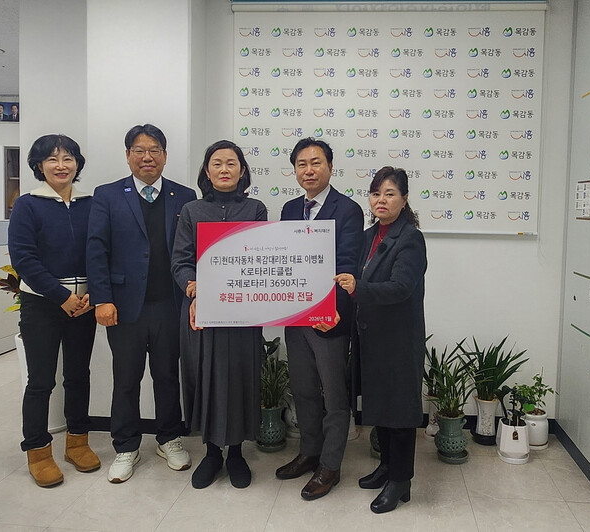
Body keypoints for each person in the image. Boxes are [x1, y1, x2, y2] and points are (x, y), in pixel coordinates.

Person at [87, 124, 196, 483]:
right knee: (126, 378)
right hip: (123, 306)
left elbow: (191, 250)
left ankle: (169, 438)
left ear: (165, 155)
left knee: (167, 376)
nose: (147, 157)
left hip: (170, 305)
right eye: (139, 150)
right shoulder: (107, 195)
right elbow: (96, 249)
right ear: (128, 155)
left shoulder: (184, 196)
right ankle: (126, 446)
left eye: (154, 150)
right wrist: (102, 298)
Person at [171, 140, 268, 489]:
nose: (224, 169)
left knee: (241, 376)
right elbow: (180, 261)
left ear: (242, 171)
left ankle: (237, 452)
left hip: (243, 310)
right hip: (202, 310)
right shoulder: (192, 210)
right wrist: (194, 289)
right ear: (207, 171)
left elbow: (261, 258)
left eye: (231, 163)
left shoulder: (256, 209)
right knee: (204, 376)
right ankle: (212, 453)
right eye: (217, 163)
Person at [8, 134, 100, 488]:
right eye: (52, 159)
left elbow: (101, 251)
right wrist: (62, 296)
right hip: (42, 305)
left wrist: (93, 294)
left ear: (77, 163)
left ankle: (77, 443)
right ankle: (38, 451)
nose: (61, 165)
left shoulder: (91, 204)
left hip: (84, 305)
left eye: (68, 158)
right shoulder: (28, 205)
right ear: (39, 165)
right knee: (41, 381)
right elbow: (24, 259)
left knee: (78, 375)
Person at [334, 166, 427, 514]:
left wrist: (359, 288)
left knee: (399, 413)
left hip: (398, 341)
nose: (381, 200)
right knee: (382, 409)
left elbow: (401, 287)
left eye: (390, 194)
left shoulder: (410, 238)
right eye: (376, 194)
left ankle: (401, 482)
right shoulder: (368, 235)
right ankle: (387, 467)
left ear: (404, 199)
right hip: (371, 338)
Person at [276, 138, 364, 500]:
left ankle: (330, 465)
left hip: (329, 319)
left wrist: (334, 310)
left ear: (330, 167)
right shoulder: (289, 209)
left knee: (334, 395)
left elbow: (349, 264)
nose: (309, 170)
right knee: (304, 390)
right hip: (297, 317)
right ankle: (310, 452)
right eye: (302, 164)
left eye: (316, 163)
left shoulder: (348, 210)